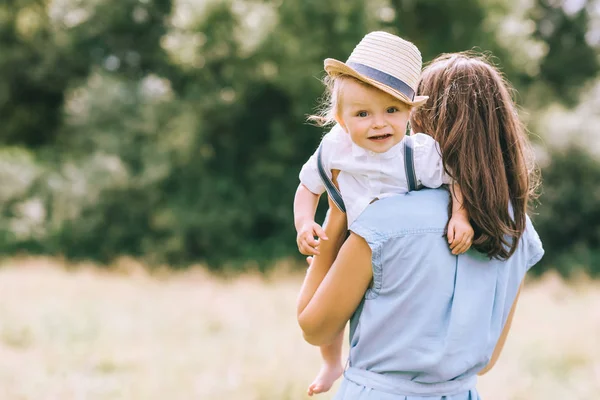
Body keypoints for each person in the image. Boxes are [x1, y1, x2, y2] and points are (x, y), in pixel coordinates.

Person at [296, 51, 544, 399]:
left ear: (423, 120)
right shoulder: (515, 226)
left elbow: (315, 328)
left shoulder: (382, 220)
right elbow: (486, 361)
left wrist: (337, 210)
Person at [293, 31, 474, 396]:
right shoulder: (334, 150)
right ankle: (331, 362)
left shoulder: (418, 155)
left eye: (392, 110)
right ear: (342, 121)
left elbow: (455, 182)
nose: (378, 123)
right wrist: (304, 223)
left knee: (368, 311)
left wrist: (460, 217)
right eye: (362, 114)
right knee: (325, 310)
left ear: (410, 112)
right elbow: (307, 187)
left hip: (391, 252)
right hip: (347, 238)